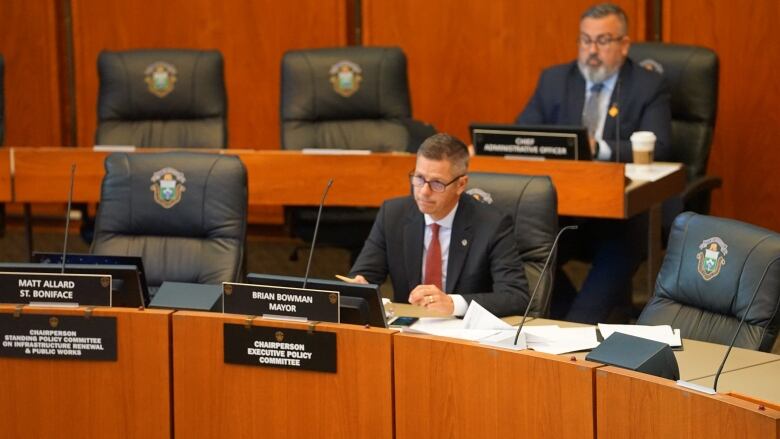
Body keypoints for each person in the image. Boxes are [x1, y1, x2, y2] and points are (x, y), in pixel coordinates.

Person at [516, 3, 672, 323]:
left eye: (603, 41)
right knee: (515, 234)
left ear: (624, 45)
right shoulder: (555, 79)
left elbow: (661, 146)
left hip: (622, 210)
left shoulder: (647, 85)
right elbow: (523, 135)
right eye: (585, 40)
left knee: (623, 240)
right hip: (564, 204)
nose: (591, 50)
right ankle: (569, 320)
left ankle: (579, 325)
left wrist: (598, 148)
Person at [345, 133, 530, 317]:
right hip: (408, 330)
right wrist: (359, 283)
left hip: (465, 333)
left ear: (461, 184)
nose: (424, 192)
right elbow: (365, 274)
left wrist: (453, 303)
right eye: (419, 178)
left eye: (437, 183)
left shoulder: (492, 224)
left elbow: (515, 297)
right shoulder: (393, 214)